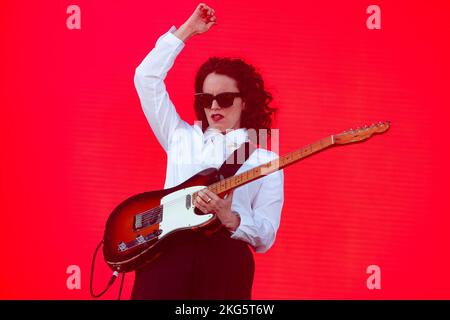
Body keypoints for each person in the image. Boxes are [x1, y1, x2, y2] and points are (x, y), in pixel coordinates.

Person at [131, 3, 284, 300]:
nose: (214, 106)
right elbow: (145, 79)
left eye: (225, 98)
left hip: (224, 263)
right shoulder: (181, 136)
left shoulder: (266, 157)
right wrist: (187, 31)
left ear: (246, 101)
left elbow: (265, 235)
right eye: (206, 98)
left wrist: (231, 217)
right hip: (167, 254)